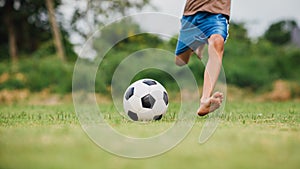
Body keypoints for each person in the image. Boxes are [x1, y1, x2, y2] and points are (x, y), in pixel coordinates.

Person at [175, 0, 231, 116]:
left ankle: (205, 100)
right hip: (191, 14)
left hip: (217, 13)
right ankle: (198, 43)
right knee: (180, 61)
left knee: (217, 42)